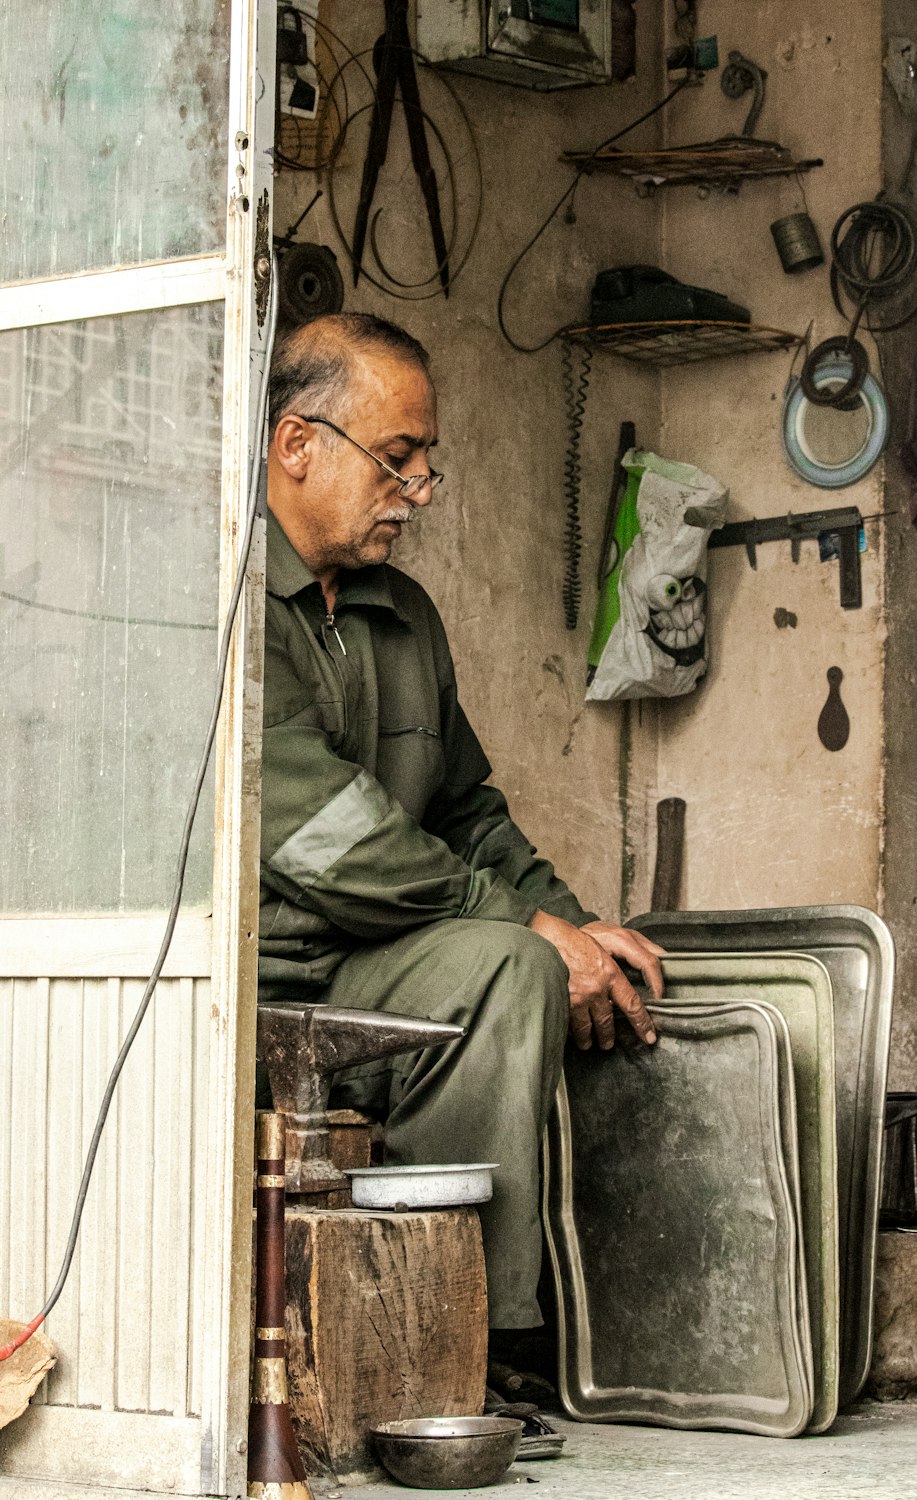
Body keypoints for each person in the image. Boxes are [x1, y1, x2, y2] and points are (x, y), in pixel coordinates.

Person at [259, 311, 666, 1339]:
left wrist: (576, 926)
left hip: (371, 967)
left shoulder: (403, 615)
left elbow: (468, 810)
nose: (421, 490)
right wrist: (530, 935)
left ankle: (484, 1327)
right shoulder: (219, 599)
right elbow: (325, 840)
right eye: (397, 459)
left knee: (558, 964)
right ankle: (458, 1339)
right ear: (297, 445)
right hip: (254, 985)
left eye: (426, 462)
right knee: (509, 966)